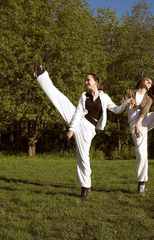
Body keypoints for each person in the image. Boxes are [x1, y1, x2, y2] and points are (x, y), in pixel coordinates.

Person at [32, 60, 135, 199]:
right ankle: (41, 74)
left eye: (88, 80)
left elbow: (116, 109)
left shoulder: (104, 97)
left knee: (83, 157)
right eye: (86, 80)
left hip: (88, 129)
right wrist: (72, 129)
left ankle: (86, 186)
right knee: (61, 99)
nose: (86, 82)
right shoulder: (84, 96)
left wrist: (128, 103)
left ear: (96, 82)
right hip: (79, 121)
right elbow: (78, 113)